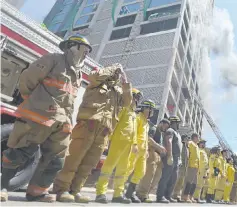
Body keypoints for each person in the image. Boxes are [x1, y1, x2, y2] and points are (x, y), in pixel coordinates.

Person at [0, 35, 91, 202]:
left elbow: (68, 99)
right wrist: (35, 102)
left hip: (61, 123)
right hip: (38, 117)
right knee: (20, 152)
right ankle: (2, 186)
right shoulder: (53, 59)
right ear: (73, 47)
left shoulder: (77, 73)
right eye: (85, 50)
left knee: (56, 161)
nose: (86, 55)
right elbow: (27, 79)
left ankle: (36, 192)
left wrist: (67, 121)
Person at [53, 62, 132, 203]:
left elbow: (127, 102)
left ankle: (75, 190)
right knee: (74, 159)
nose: (115, 74)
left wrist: (125, 81)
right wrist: (114, 67)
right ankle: (62, 189)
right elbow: (96, 75)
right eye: (114, 73)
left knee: (89, 163)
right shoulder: (96, 83)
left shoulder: (117, 91)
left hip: (104, 132)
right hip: (88, 125)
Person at [94, 88, 142, 203]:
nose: (137, 100)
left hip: (129, 145)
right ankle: (100, 193)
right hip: (118, 141)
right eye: (136, 97)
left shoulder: (133, 114)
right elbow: (114, 123)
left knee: (122, 170)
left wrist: (135, 144)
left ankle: (118, 194)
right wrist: (108, 140)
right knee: (108, 167)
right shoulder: (123, 108)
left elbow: (134, 131)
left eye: (138, 98)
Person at [124, 99, 156, 203]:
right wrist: (134, 144)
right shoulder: (138, 118)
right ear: (143, 108)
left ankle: (130, 193)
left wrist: (146, 150)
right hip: (135, 149)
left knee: (141, 172)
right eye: (149, 109)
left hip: (143, 151)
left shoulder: (146, 123)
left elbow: (145, 137)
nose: (150, 111)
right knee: (128, 170)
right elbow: (133, 132)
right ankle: (120, 191)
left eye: (151, 110)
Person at [136, 119, 169, 203]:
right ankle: (141, 194)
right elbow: (149, 139)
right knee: (149, 175)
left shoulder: (161, 133)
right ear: (161, 123)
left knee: (157, 176)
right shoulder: (154, 129)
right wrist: (159, 146)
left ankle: (146, 194)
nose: (165, 128)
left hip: (158, 156)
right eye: (165, 126)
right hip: (152, 153)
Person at [156, 115, 182, 203]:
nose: (179, 125)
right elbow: (168, 141)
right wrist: (170, 155)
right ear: (174, 122)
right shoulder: (170, 131)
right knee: (165, 177)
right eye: (178, 123)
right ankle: (160, 196)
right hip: (170, 157)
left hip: (176, 159)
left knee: (173, 178)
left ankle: (168, 196)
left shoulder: (177, 133)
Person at [182, 133, 201, 203]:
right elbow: (186, 151)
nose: (199, 139)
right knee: (189, 182)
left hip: (196, 167)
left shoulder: (197, 146)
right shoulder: (190, 143)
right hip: (191, 165)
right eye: (198, 137)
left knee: (194, 183)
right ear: (195, 137)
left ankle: (190, 196)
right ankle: (185, 196)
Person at [172, 134, 189, 202]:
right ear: (183, 139)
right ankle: (171, 194)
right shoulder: (181, 144)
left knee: (180, 182)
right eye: (186, 138)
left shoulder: (187, 147)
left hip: (184, 167)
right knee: (176, 180)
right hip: (180, 165)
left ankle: (176, 195)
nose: (187, 140)